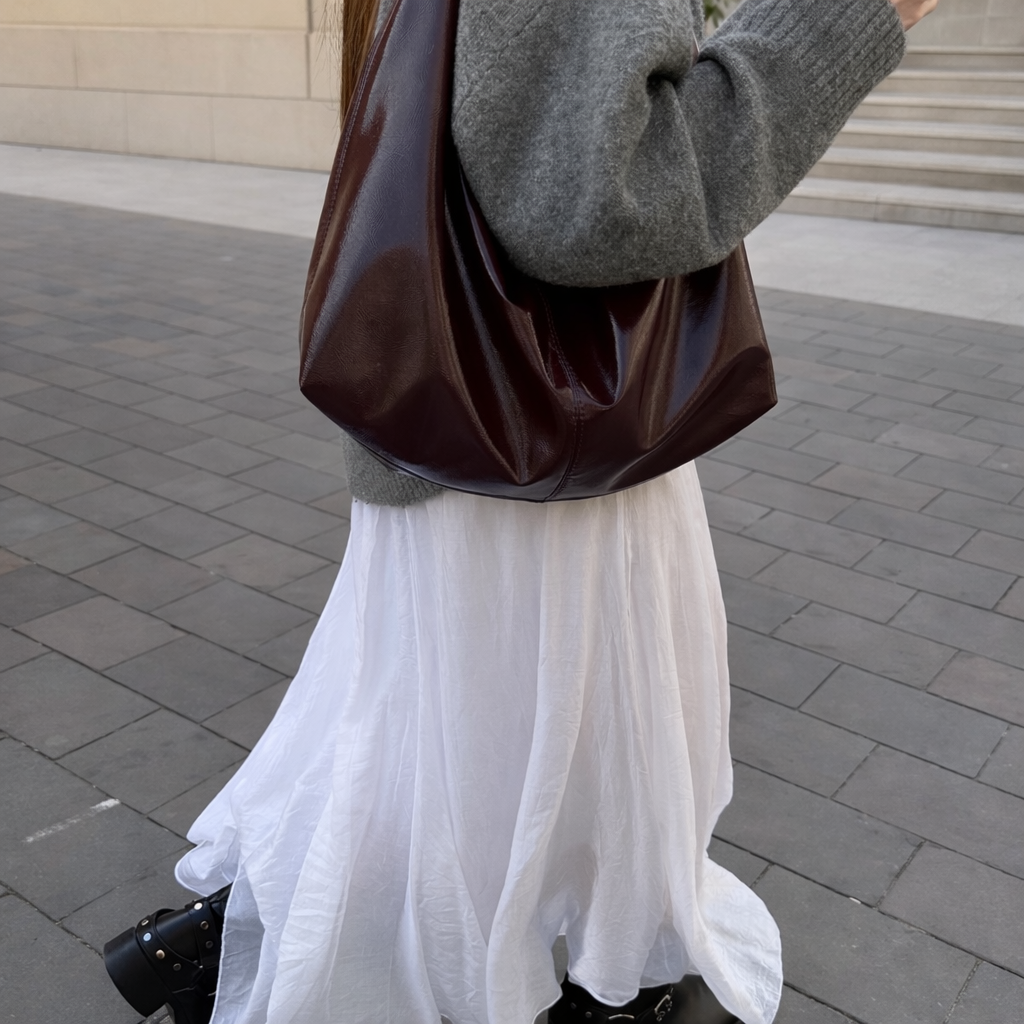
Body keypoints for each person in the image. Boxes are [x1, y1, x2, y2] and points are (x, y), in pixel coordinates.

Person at [103, 1, 939, 1023]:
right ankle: (580, 987)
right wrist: (838, 20)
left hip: (475, 440)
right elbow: (598, 199)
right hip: (535, 454)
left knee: (439, 738)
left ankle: (224, 943)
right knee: (529, 749)